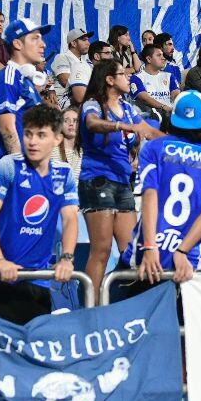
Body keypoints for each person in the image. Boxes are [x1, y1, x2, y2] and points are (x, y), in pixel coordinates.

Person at [0, 105, 79, 325]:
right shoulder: (7, 166)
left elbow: (70, 218)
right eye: (28, 134)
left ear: (57, 139)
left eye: (41, 135)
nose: (32, 142)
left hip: (37, 281)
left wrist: (67, 258)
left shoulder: (64, 174)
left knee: (28, 355)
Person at [129, 91, 201, 291]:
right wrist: (182, 251)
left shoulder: (154, 148)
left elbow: (150, 195)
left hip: (148, 252)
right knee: (180, 322)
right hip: (186, 260)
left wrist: (150, 245)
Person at [78, 60, 161, 294]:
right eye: (123, 74)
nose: (128, 78)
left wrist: (180, 144)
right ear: (109, 80)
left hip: (123, 181)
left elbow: (149, 131)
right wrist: (120, 126)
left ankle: (122, 307)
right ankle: (90, 312)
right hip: (97, 181)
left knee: (129, 252)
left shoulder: (128, 107)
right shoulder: (93, 104)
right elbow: (92, 124)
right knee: (101, 250)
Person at [0, 17, 52, 161]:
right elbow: (7, 128)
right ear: (17, 44)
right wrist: (18, 168)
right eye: (35, 39)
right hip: (18, 169)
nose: (43, 45)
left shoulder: (25, 80)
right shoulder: (8, 77)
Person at [130, 43, 176, 118]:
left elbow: (176, 95)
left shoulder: (169, 76)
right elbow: (145, 99)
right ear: (149, 59)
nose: (163, 58)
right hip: (148, 119)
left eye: (162, 55)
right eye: (159, 55)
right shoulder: (136, 78)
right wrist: (164, 107)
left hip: (169, 115)